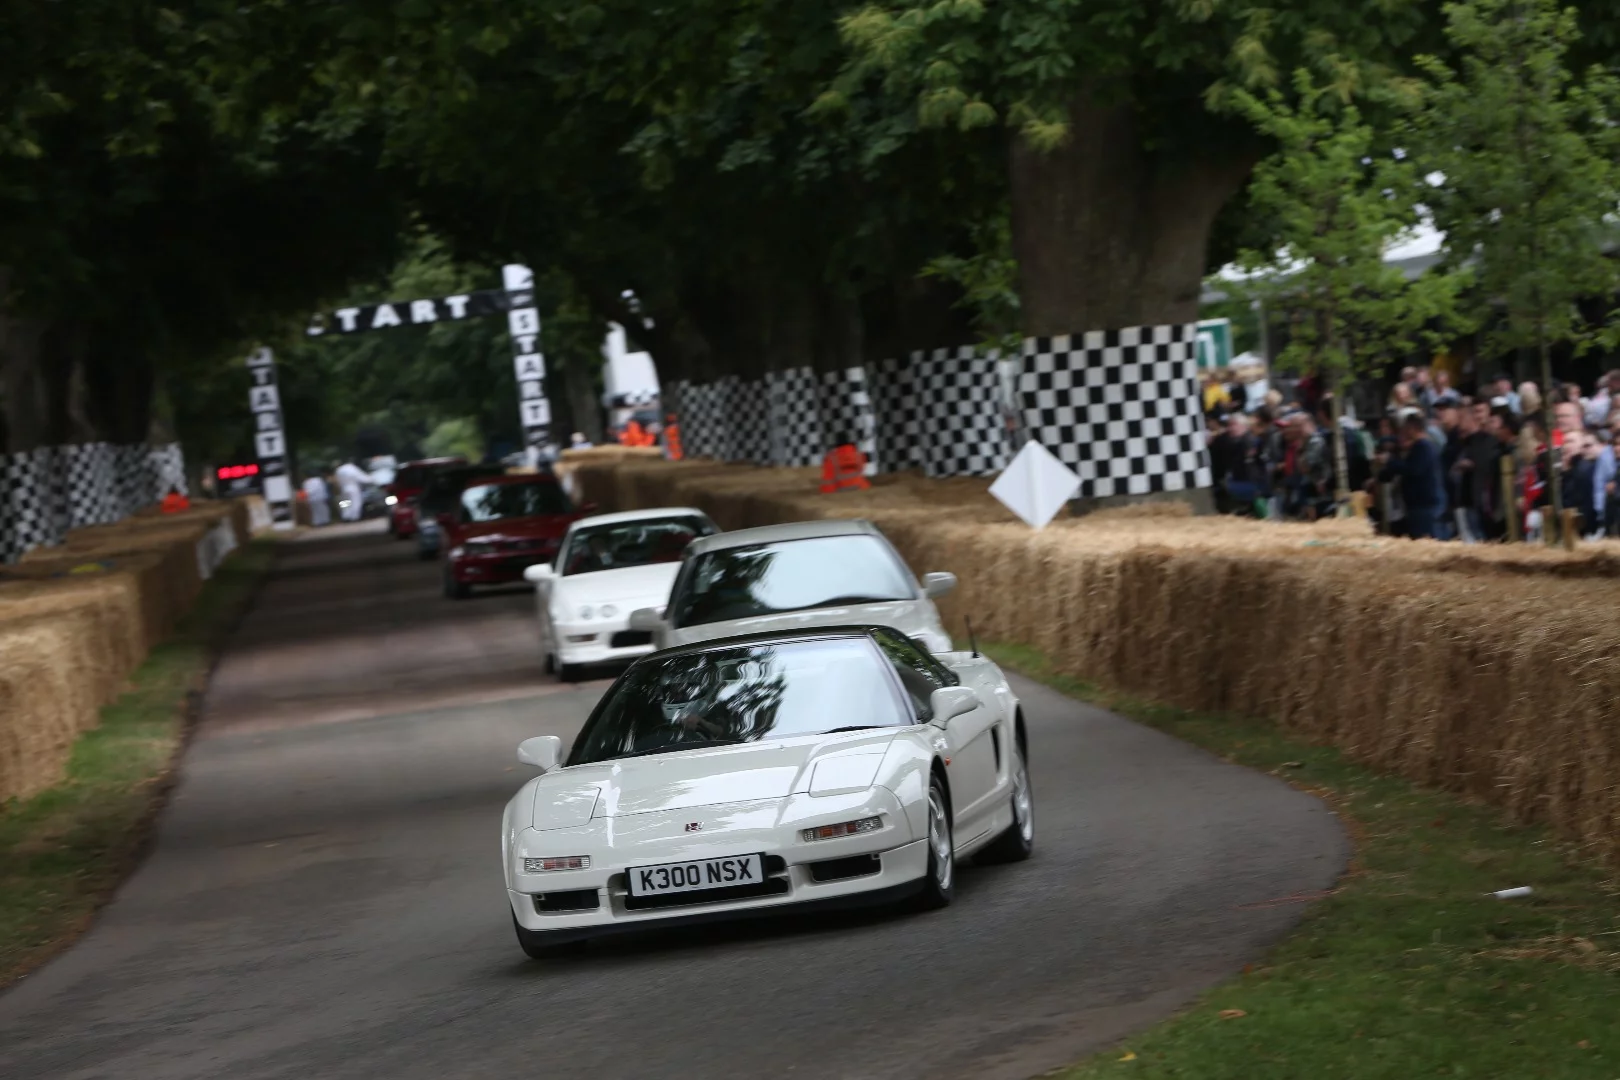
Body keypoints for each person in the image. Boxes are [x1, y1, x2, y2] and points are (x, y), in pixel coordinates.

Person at [1379, 413, 1447, 539]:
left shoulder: (1423, 447)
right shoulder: (1416, 448)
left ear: (1413, 429)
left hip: (1426, 505)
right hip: (1418, 506)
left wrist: (1390, 462)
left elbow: (1414, 469)